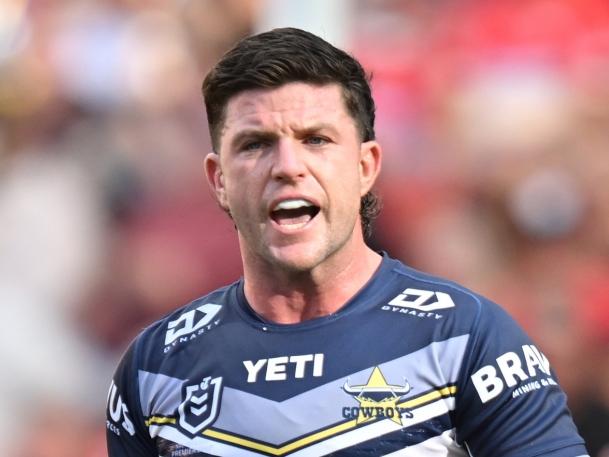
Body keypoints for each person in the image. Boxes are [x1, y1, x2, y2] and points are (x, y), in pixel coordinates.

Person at [106, 27, 588, 456]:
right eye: (255, 144)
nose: (288, 166)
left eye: (316, 139)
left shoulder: (466, 338)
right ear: (219, 181)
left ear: (365, 168)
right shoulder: (156, 368)